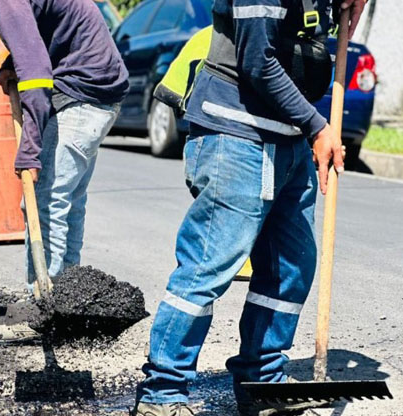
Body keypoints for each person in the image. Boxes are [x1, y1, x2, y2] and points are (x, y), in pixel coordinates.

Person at [131, 0, 366, 414]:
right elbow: (258, 61)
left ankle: (263, 381)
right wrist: (318, 128)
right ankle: (163, 392)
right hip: (236, 136)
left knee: (290, 268)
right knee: (208, 266)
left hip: (289, 139)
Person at [0, 0, 130, 345]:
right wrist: (13, 63)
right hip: (99, 91)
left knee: (46, 202)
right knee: (68, 202)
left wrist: (29, 149)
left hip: (82, 94)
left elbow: (36, 77)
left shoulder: (4, 1)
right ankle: (67, 302)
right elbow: (43, 35)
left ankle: (42, 312)